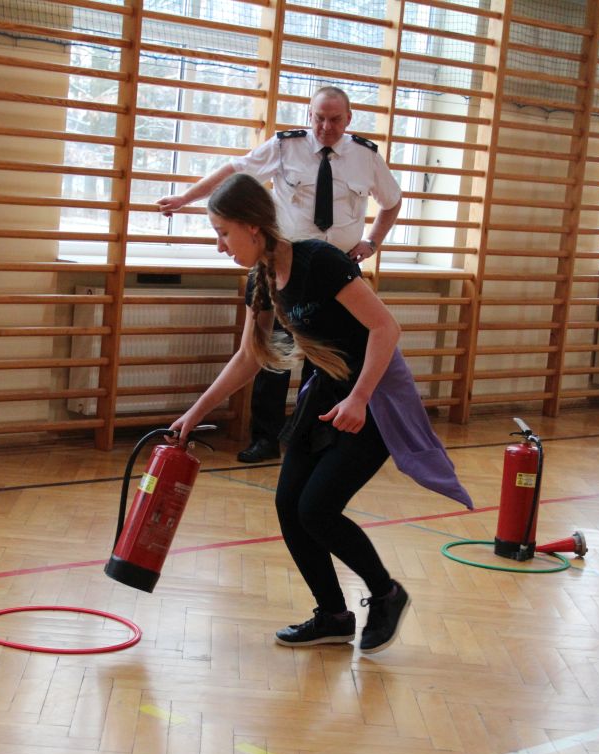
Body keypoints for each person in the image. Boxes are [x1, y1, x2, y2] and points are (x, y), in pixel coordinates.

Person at [170, 173, 472, 654]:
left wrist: (360, 398)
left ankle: (386, 594)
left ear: (252, 226)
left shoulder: (321, 261)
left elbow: (385, 328)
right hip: (326, 395)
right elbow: (249, 356)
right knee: (289, 507)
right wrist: (194, 412)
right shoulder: (261, 280)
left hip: (373, 397)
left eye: (223, 233)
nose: (220, 245)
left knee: (316, 509)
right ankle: (333, 615)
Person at [158, 86, 403, 464]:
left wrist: (372, 242)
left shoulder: (365, 156)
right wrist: (183, 199)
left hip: (334, 271)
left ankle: (315, 436)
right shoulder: (287, 146)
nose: (326, 127)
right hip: (285, 268)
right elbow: (235, 173)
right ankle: (269, 438)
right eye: (319, 118)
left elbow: (392, 201)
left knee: (325, 366)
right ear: (309, 115)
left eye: (335, 119)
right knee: (272, 356)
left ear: (349, 119)